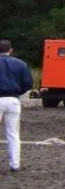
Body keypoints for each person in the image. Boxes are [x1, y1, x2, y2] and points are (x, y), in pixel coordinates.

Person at [0, 40, 33, 172]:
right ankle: (15, 164)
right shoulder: (20, 64)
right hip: (13, 100)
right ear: (10, 50)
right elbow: (28, 83)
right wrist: (17, 92)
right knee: (13, 134)